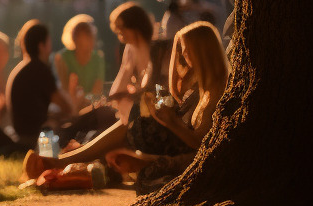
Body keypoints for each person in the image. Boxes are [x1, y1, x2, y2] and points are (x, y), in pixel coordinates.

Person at [23, 22, 229, 196]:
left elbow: (202, 144)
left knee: (124, 124)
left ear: (202, 51)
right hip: (169, 137)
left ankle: (61, 162)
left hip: (181, 145)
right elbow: (170, 87)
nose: (184, 56)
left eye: (187, 50)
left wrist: (171, 123)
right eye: (182, 51)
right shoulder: (198, 86)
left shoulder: (218, 91)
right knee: (122, 123)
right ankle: (65, 165)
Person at [5, 19, 80, 150]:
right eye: (49, 42)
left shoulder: (24, 67)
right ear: (41, 45)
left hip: (21, 133)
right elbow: (66, 108)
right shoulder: (40, 69)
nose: (50, 48)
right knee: (76, 125)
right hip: (33, 138)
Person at [105, 1, 155, 121]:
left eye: (122, 28)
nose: (120, 33)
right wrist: (115, 96)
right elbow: (123, 75)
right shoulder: (130, 48)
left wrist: (129, 95)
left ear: (135, 26)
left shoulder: (156, 49)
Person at [54, 15, 106, 111]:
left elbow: (98, 89)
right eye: (86, 36)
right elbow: (65, 89)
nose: (91, 40)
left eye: (91, 35)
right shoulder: (62, 58)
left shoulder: (98, 58)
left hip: (92, 106)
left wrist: (86, 101)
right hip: (70, 106)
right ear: (75, 38)